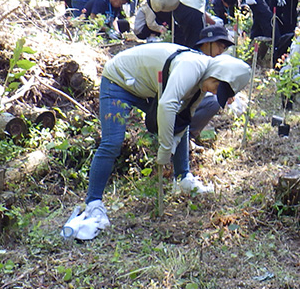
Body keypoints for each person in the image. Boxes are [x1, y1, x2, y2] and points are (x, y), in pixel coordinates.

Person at [62, 46, 251, 240]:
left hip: (148, 86)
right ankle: (93, 204)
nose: (212, 90)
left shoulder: (203, 79)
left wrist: (175, 137)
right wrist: (166, 147)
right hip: (119, 81)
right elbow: (167, 105)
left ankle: (183, 178)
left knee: (180, 124)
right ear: (216, 74)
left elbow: (185, 115)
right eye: (216, 86)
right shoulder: (190, 68)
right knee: (112, 142)